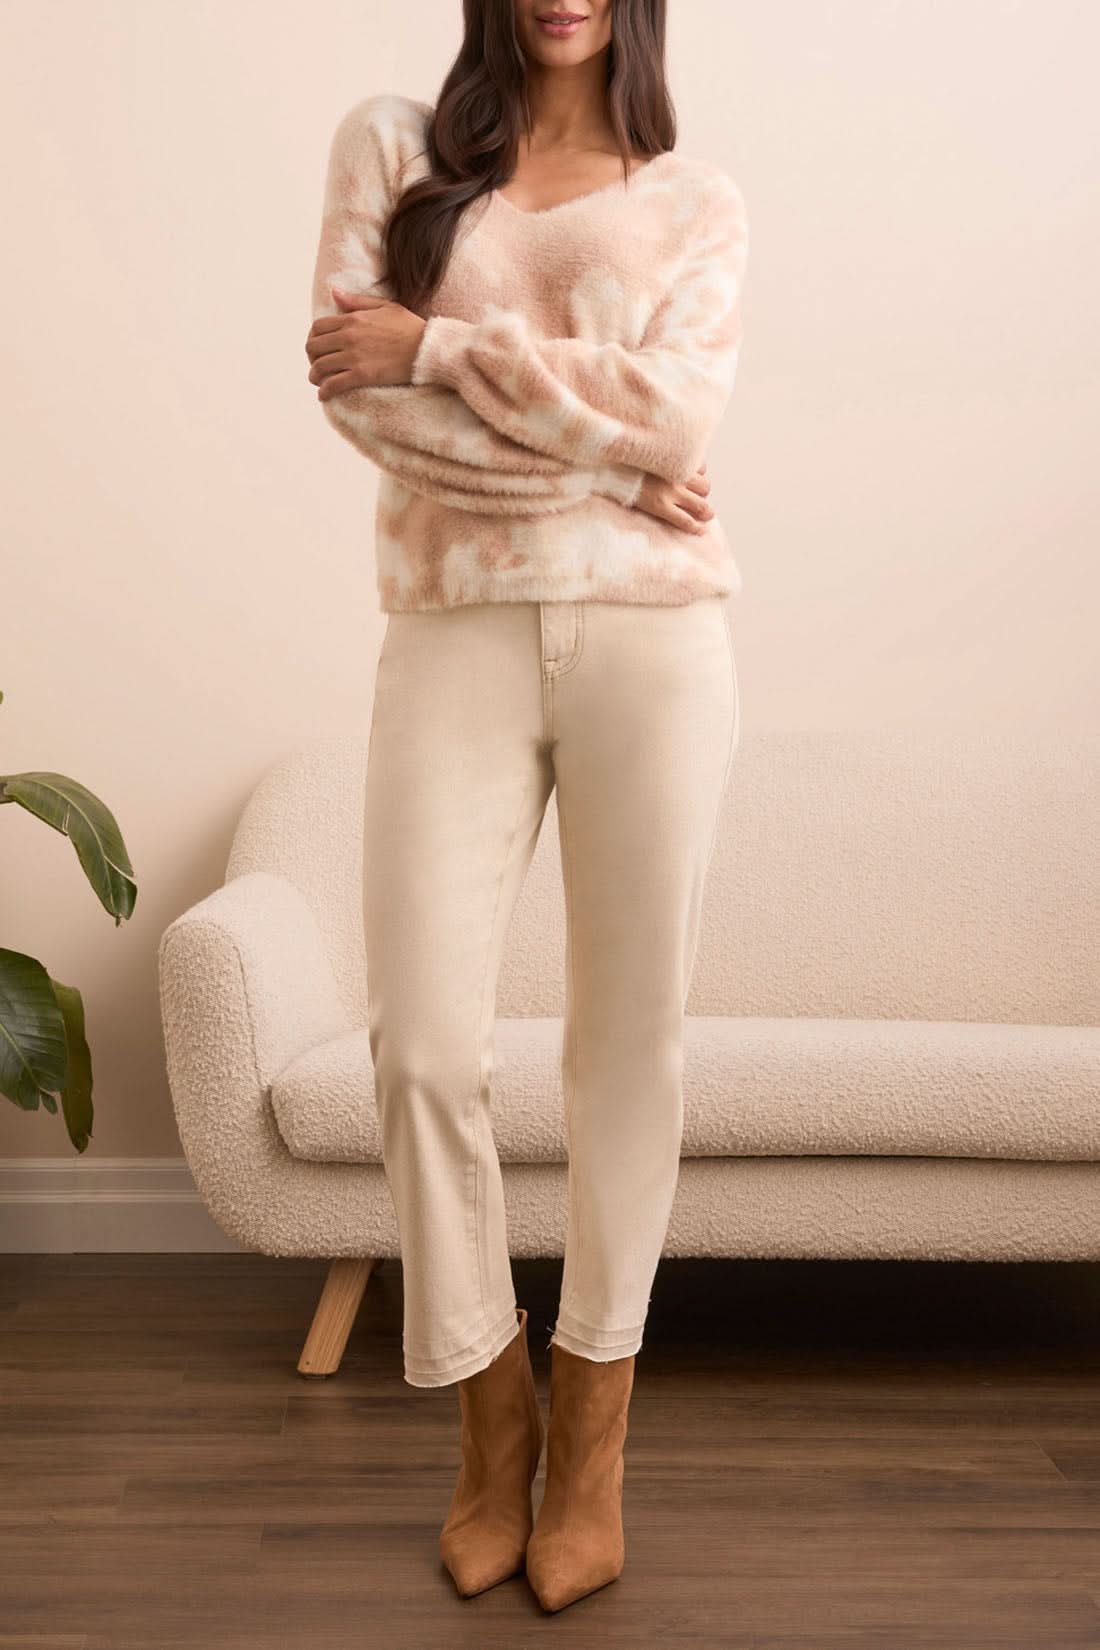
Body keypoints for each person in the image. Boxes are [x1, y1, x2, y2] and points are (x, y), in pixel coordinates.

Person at [304, 0, 748, 1613]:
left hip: (655, 642)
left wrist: (439, 347)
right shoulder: (393, 150)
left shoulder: (697, 200)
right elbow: (360, 409)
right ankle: (493, 1428)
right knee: (420, 1042)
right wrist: (609, 454)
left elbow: (679, 422)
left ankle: (595, 1444)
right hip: (453, 629)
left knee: (630, 1041)